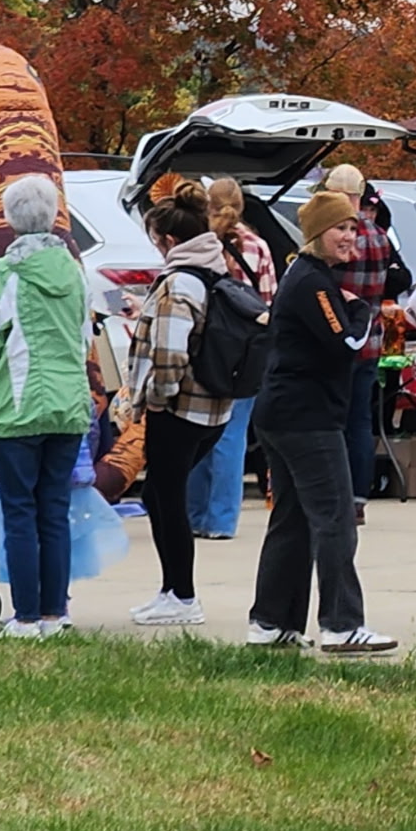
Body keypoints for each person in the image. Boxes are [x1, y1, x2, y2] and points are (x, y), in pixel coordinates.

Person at [246, 189, 398, 654]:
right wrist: (362, 311)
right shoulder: (312, 282)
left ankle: (271, 622)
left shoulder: (308, 277)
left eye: (353, 227)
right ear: (316, 234)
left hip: (285, 413)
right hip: (305, 419)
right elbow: (346, 344)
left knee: (292, 521)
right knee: (335, 519)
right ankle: (341, 624)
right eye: (340, 228)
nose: (349, 236)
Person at [0, 176, 91, 638]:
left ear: (11, 219)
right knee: (54, 510)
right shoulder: (74, 271)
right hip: (68, 405)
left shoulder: (2, 274)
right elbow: (84, 336)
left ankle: (27, 616)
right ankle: (58, 613)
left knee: (19, 512)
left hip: (18, 408)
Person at [114, 182, 233, 626]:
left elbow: (169, 354)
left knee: (166, 500)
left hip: (178, 409)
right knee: (169, 496)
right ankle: (172, 591)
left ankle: (181, 595)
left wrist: (156, 402)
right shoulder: (216, 270)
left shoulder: (178, 283)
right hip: (214, 407)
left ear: (167, 240)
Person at [185, 178, 277, 541]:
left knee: (197, 432)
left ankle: (192, 515)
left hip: (205, 347)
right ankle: (222, 520)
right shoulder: (258, 246)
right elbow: (269, 301)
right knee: (232, 435)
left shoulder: (199, 243)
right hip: (246, 350)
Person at [324, 164, 393, 515]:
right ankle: (358, 499)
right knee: (360, 421)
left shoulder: (337, 236)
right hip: (372, 338)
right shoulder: (381, 237)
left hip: (337, 340)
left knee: (333, 419)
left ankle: (335, 492)